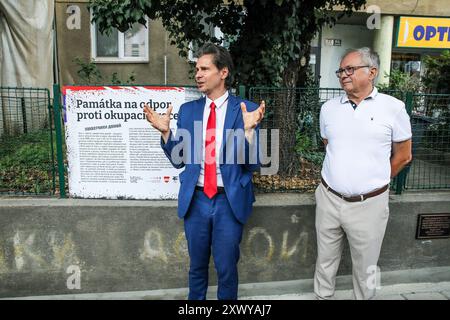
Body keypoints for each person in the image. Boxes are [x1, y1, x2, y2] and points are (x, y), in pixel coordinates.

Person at [143, 43, 265, 300]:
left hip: (228, 201)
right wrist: (166, 133)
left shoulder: (246, 110)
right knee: (196, 267)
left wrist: (250, 131)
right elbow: (180, 160)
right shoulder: (188, 111)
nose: (198, 74)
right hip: (196, 200)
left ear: (223, 73)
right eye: (196, 69)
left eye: (205, 69)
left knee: (226, 269)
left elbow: (252, 165)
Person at [314, 47, 412, 300]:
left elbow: (403, 156)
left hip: (370, 204)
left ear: (372, 72)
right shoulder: (328, 108)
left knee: (367, 265)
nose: (343, 74)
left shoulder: (394, 108)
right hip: (329, 198)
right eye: (341, 70)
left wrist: (375, 181)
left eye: (350, 69)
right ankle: (322, 296)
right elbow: (331, 146)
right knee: (325, 259)